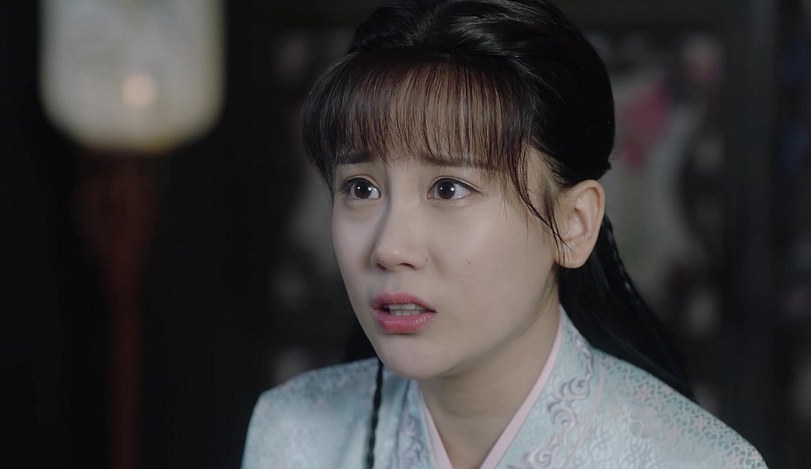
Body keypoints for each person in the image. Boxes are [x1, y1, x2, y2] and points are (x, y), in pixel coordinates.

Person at [241, 0, 769, 467]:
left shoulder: (701, 464)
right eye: (361, 188)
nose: (389, 248)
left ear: (573, 223)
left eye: (448, 188)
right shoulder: (295, 436)